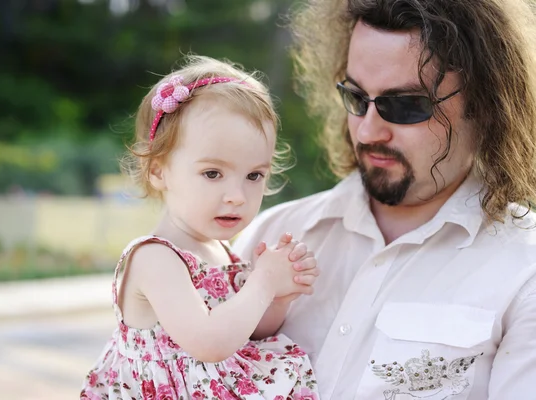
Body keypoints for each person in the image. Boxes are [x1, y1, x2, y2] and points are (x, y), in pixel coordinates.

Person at [233, 0, 536, 399]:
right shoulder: (273, 233)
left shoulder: (524, 270)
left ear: (485, 105)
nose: (367, 132)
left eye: (405, 106)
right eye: (356, 98)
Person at [80, 55, 321, 400]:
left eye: (254, 175)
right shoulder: (155, 258)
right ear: (158, 170)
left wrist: (279, 297)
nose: (237, 196)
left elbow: (246, 331)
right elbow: (209, 342)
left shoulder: (219, 251)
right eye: (213, 174)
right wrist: (263, 282)